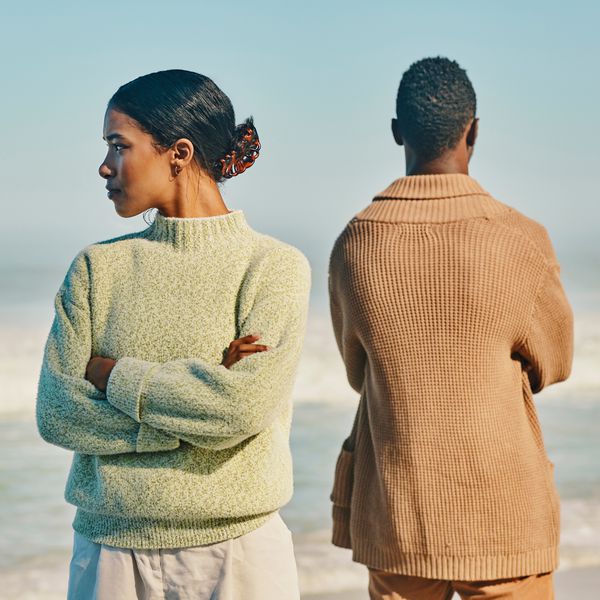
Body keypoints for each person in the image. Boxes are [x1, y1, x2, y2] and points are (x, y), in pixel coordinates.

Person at [36, 69, 311, 600]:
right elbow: (56, 412)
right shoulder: (96, 269)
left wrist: (113, 374)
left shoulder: (273, 267)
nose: (104, 166)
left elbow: (240, 409)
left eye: (119, 146)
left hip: (239, 552)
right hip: (108, 550)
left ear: (178, 153)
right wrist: (194, 414)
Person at [327, 56, 574, 600]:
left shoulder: (355, 243)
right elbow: (553, 363)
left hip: (398, 514)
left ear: (397, 133)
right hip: (504, 514)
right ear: (474, 130)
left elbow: (356, 371)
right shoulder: (521, 238)